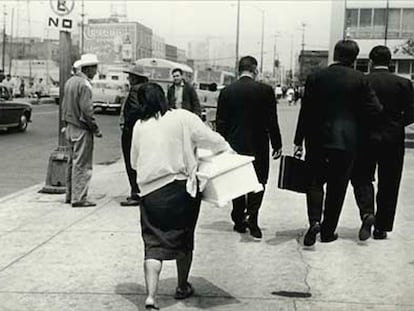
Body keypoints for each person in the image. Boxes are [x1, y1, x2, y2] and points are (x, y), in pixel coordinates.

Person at [130, 82, 232, 309]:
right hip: (180, 190)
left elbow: (134, 163)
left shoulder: (139, 125)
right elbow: (210, 138)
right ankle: (181, 286)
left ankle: (151, 297)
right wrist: (226, 148)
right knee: (183, 239)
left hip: (151, 194)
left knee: (153, 243)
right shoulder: (183, 117)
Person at [294, 40, 383, 246]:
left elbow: (305, 111)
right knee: (337, 186)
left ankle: (314, 221)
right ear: (354, 57)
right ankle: (327, 232)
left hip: (316, 139)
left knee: (315, 182)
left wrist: (298, 140)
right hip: (346, 142)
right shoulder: (360, 79)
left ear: (335, 54)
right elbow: (376, 109)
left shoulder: (315, 77)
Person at [351, 45, 414, 241]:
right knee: (390, 181)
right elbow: (412, 111)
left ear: (370, 61)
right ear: (390, 62)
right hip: (393, 138)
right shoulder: (404, 83)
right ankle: (382, 227)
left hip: (365, 137)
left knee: (361, 176)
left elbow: (354, 110)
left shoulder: (362, 81)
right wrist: (397, 124)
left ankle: (367, 212)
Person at [216, 55, 283, 239]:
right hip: (259, 143)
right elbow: (272, 121)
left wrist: (221, 145)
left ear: (239, 70)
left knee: (237, 180)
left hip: (234, 144)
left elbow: (220, 122)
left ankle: (238, 218)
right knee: (259, 180)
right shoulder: (265, 90)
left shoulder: (227, 92)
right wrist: (277, 144)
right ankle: (253, 216)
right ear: (255, 69)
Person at [62, 54, 102, 208]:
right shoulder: (85, 85)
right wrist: (95, 129)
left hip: (70, 126)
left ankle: (70, 194)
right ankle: (79, 198)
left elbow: (65, 105)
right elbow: (87, 111)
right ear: (89, 68)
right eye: (95, 68)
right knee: (82, 164)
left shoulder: (70, 82)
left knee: (72, 162)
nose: (96, 72)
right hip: (81, 128)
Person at [119, 64, 149, 206]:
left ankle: (135, 192)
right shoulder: (148, 89)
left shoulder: (134, 91)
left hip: (131, 132)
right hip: (144, 131)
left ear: (136, 78)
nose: (128, 78)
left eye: (130, 76)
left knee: (131, 163)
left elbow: (135, 110)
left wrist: (128, 123)